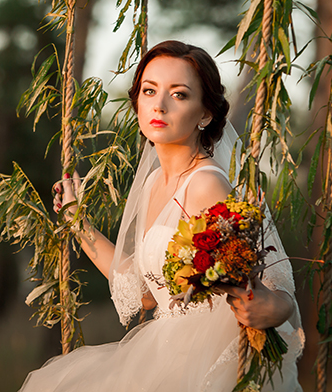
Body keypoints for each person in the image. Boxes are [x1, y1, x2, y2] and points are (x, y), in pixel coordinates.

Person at [20, 40, 304, 391]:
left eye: (180, 94)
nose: (160, 105)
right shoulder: (155, 181)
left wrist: (270, 309)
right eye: (149, 90)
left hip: (206, 360)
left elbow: (276, 290)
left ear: (205, 113)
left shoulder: (206, 186)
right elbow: (145, 293)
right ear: (137, 101)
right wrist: (80, 225)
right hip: (165, 349)